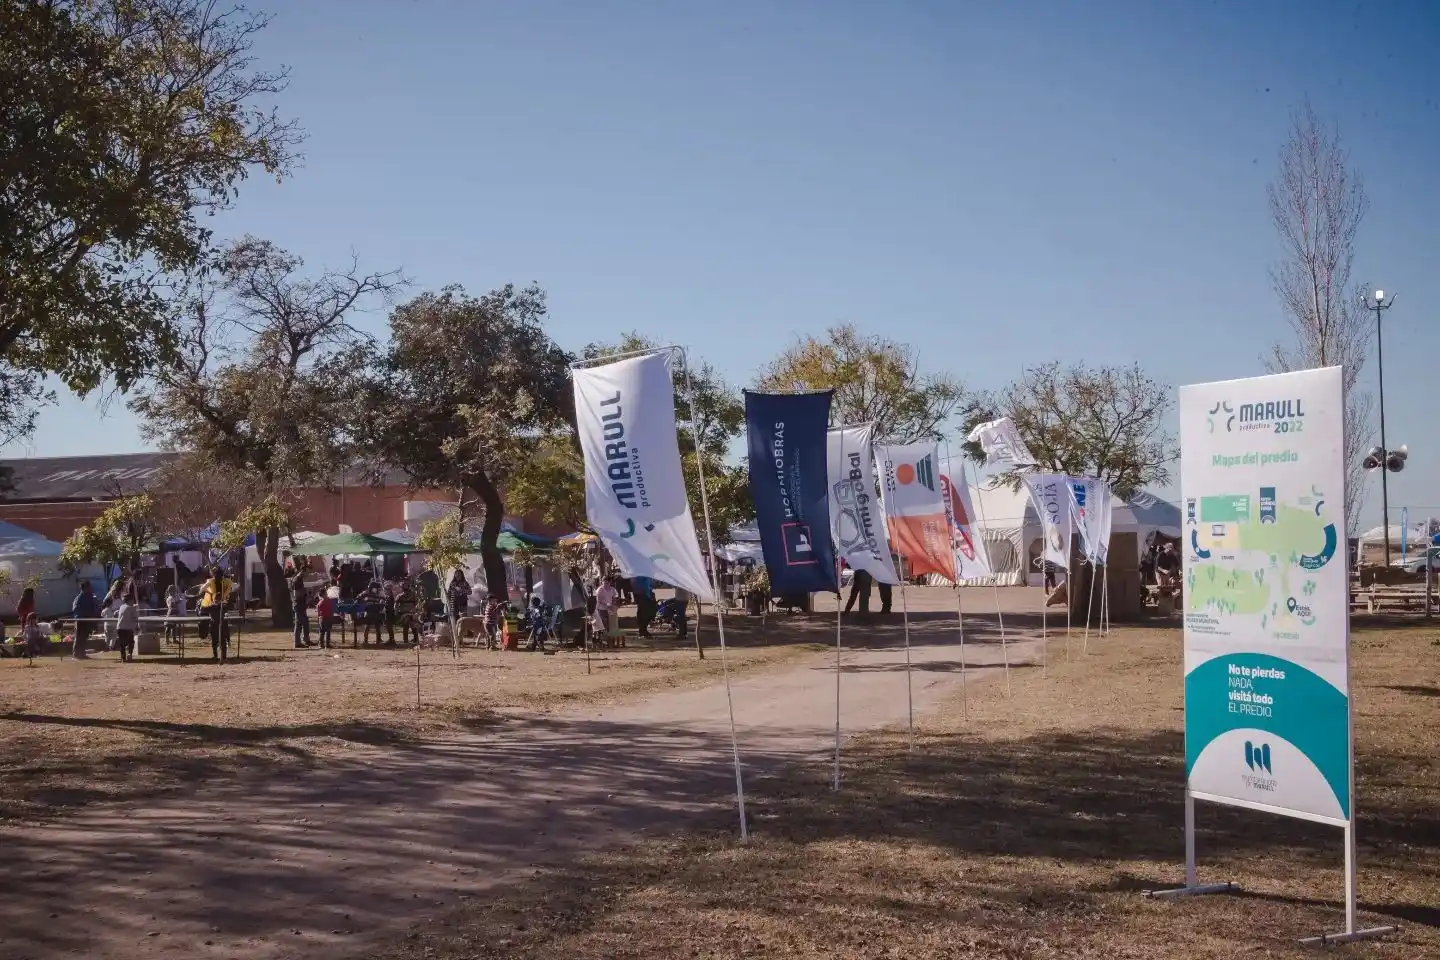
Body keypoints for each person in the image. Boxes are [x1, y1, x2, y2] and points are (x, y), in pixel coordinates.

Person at [200, 566, 235, 662]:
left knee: (222, 639)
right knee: (216, 639)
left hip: (221, 625)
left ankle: (222, 656)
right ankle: (218, 656)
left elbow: (234, 587)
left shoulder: (221, 607)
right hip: (216, 625)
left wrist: (204, 591)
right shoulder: (215, 606)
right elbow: (203, 609)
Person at [71, 580, 100, 659]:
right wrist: (81, 617)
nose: (90, 588)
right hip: (80, 620)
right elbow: (76, 609)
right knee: (79, 637)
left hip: (88, 620)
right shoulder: (79, 598)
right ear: (84, 588)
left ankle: (82, 652)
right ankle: (76, 653)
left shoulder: (90, 596)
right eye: (88, 587)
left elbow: (93, 607)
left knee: (84, 637)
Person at [290, 572, 312, 648]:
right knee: (303, 623)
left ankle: (301, 641)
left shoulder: (298, 579)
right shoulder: (297, 580)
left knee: (300, 624)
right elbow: (297, 594)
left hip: (299, 605)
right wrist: (306, 595)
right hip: (299, 605)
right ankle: (303, 641)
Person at [115, 594, 139, 662]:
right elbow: (135, 618)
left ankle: (123, 658)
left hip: (119, 627)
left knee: (122, 644)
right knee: (131, 642)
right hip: (128, 628)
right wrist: (137, 626)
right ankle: (130, 654)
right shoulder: (132, 608)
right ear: (130, 600)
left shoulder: (121, 607)